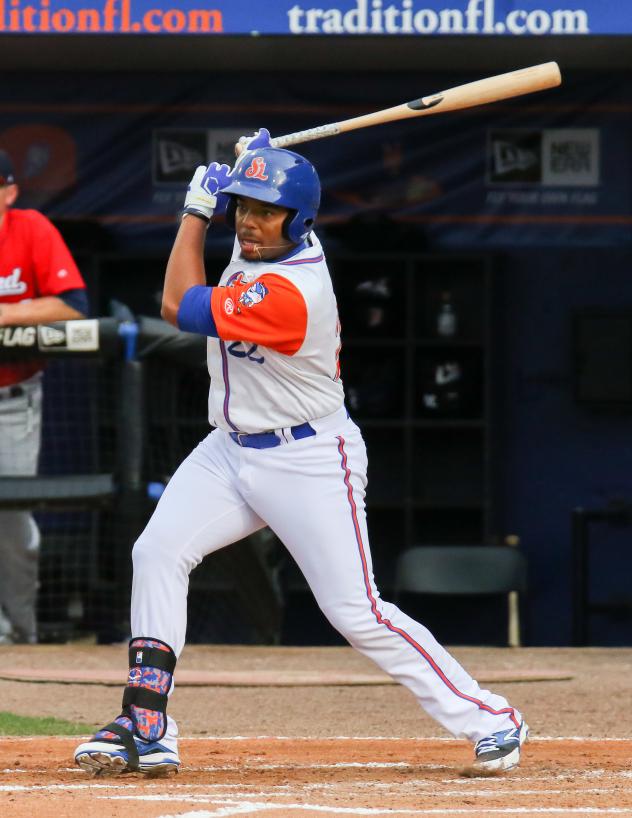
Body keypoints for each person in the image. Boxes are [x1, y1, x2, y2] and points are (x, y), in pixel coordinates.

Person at [74, 130, 527, 776]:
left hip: (308, 458)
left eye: (266, 211)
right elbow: (253, 212)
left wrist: (194, 213)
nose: (251, 225)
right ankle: (147, 723)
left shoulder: (292, 292)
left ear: (301, 221)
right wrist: (250, 164)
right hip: (229, 450)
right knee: (157, 551)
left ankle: (492, 718)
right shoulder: (264, 237)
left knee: (356, 611)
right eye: (244, 209)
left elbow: (178, 305)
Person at [0, 149, 88, 644]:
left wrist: (7, 313)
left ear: (10, 192)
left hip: (12, 397)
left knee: (11, 527)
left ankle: (19, 636)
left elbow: (75, 308)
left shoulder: (29, 229)